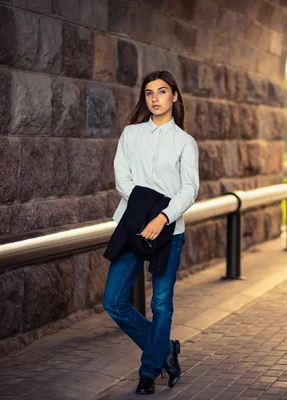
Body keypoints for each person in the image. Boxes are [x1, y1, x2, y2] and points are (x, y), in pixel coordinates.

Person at [102, 70, 199, 395]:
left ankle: (148, 372)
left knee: (161, 304)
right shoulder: (130, 134)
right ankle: (165, 350)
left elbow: (189, 189)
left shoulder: (185, 142)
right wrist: (146, 214)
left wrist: (163, 216)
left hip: (169, 232)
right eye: (148, 93)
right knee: (114, 301)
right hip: (132, 228)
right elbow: (122, 179)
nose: (155, 98)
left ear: (174, 96)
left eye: (161, 91)